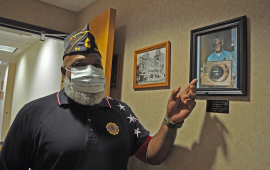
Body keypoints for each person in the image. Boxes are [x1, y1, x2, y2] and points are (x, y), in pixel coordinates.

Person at [0, 23, 197, 170]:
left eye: (96, 65)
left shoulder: (120, 110)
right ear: (63, 73)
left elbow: (150, 155)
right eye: (79, 65)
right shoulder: (33, 113)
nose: (90, 71)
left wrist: (170, 122)